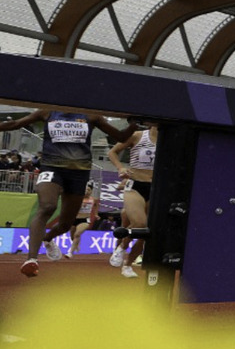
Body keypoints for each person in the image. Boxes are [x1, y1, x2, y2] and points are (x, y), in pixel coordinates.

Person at [0, 110, 138, 277]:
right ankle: (31, 260)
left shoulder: (92, 116)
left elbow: (121, 137)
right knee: (47, 206)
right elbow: (15, 124)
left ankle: (48, 239)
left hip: (78, 173)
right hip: (52, 168)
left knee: (66, 224)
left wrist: (134, 123)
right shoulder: (46, 112)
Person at [107, 123, 157, 279]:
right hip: (135, 184)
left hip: (156, 188)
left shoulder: (171, 142)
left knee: (147, 233)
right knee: (140, 223)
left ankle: (128, 265)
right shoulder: (138, 136)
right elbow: (113, 152)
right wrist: (120, 168)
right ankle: (122, 247)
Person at [65, 180, 99, 258]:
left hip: (85, 220)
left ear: (91, 191)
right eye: (85, 190)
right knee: (72, 237)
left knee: (77, 234)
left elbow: (96, 205)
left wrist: (96, 214)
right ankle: (76, 244)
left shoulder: (94, 199)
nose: (87, 191)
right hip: (74, 219)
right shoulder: (77, 199)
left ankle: (70, 252)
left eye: (89, 190)